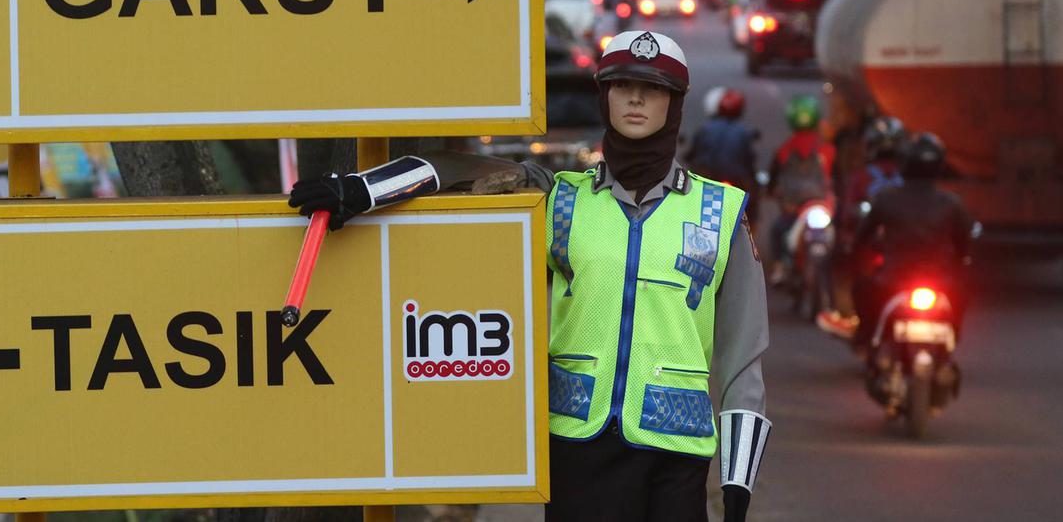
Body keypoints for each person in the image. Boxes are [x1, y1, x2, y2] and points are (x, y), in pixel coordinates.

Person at [290, 31, 771, 522]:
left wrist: (737, 485)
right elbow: (457, 170)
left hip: (675, 459)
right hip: (577, 448)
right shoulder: (561, 198)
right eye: (621, 85)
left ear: (677, 101)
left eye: (654, 87)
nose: (637, 98)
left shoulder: (720, 211)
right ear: (604, 96)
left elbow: (743, 357)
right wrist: (363, 189)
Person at [849, 132, 973, 347]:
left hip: (893, 278)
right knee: (963, 291)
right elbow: (964, 241)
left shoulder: (886, 199)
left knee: (861, 289)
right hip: (941, 280)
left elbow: (862, 238)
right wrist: (960, 261)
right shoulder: (952, 203)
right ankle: (953, 334)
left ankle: (866, 338)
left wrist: (857, 253)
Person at [817, 115, 905, 338]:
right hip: (901, 250)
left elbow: (845, 217)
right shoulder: (910, 180)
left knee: (833, 262)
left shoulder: (860, 177)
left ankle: (844, 315)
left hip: (870, 248)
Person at [766, 94, 835, 286]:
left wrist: (772, 192)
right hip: (823, 206)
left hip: (793, 209)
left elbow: (774, 179)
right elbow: (839, 178)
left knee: (777, 231)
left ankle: (780, 268)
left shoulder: (784, 150)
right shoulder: (828, 150)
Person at [685, 88, 761, 224]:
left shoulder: (705, 128)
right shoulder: (743, 132)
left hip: (707, 179)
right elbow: (750, 161)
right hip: (737, 181)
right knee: (752, 203)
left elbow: (692, 154)